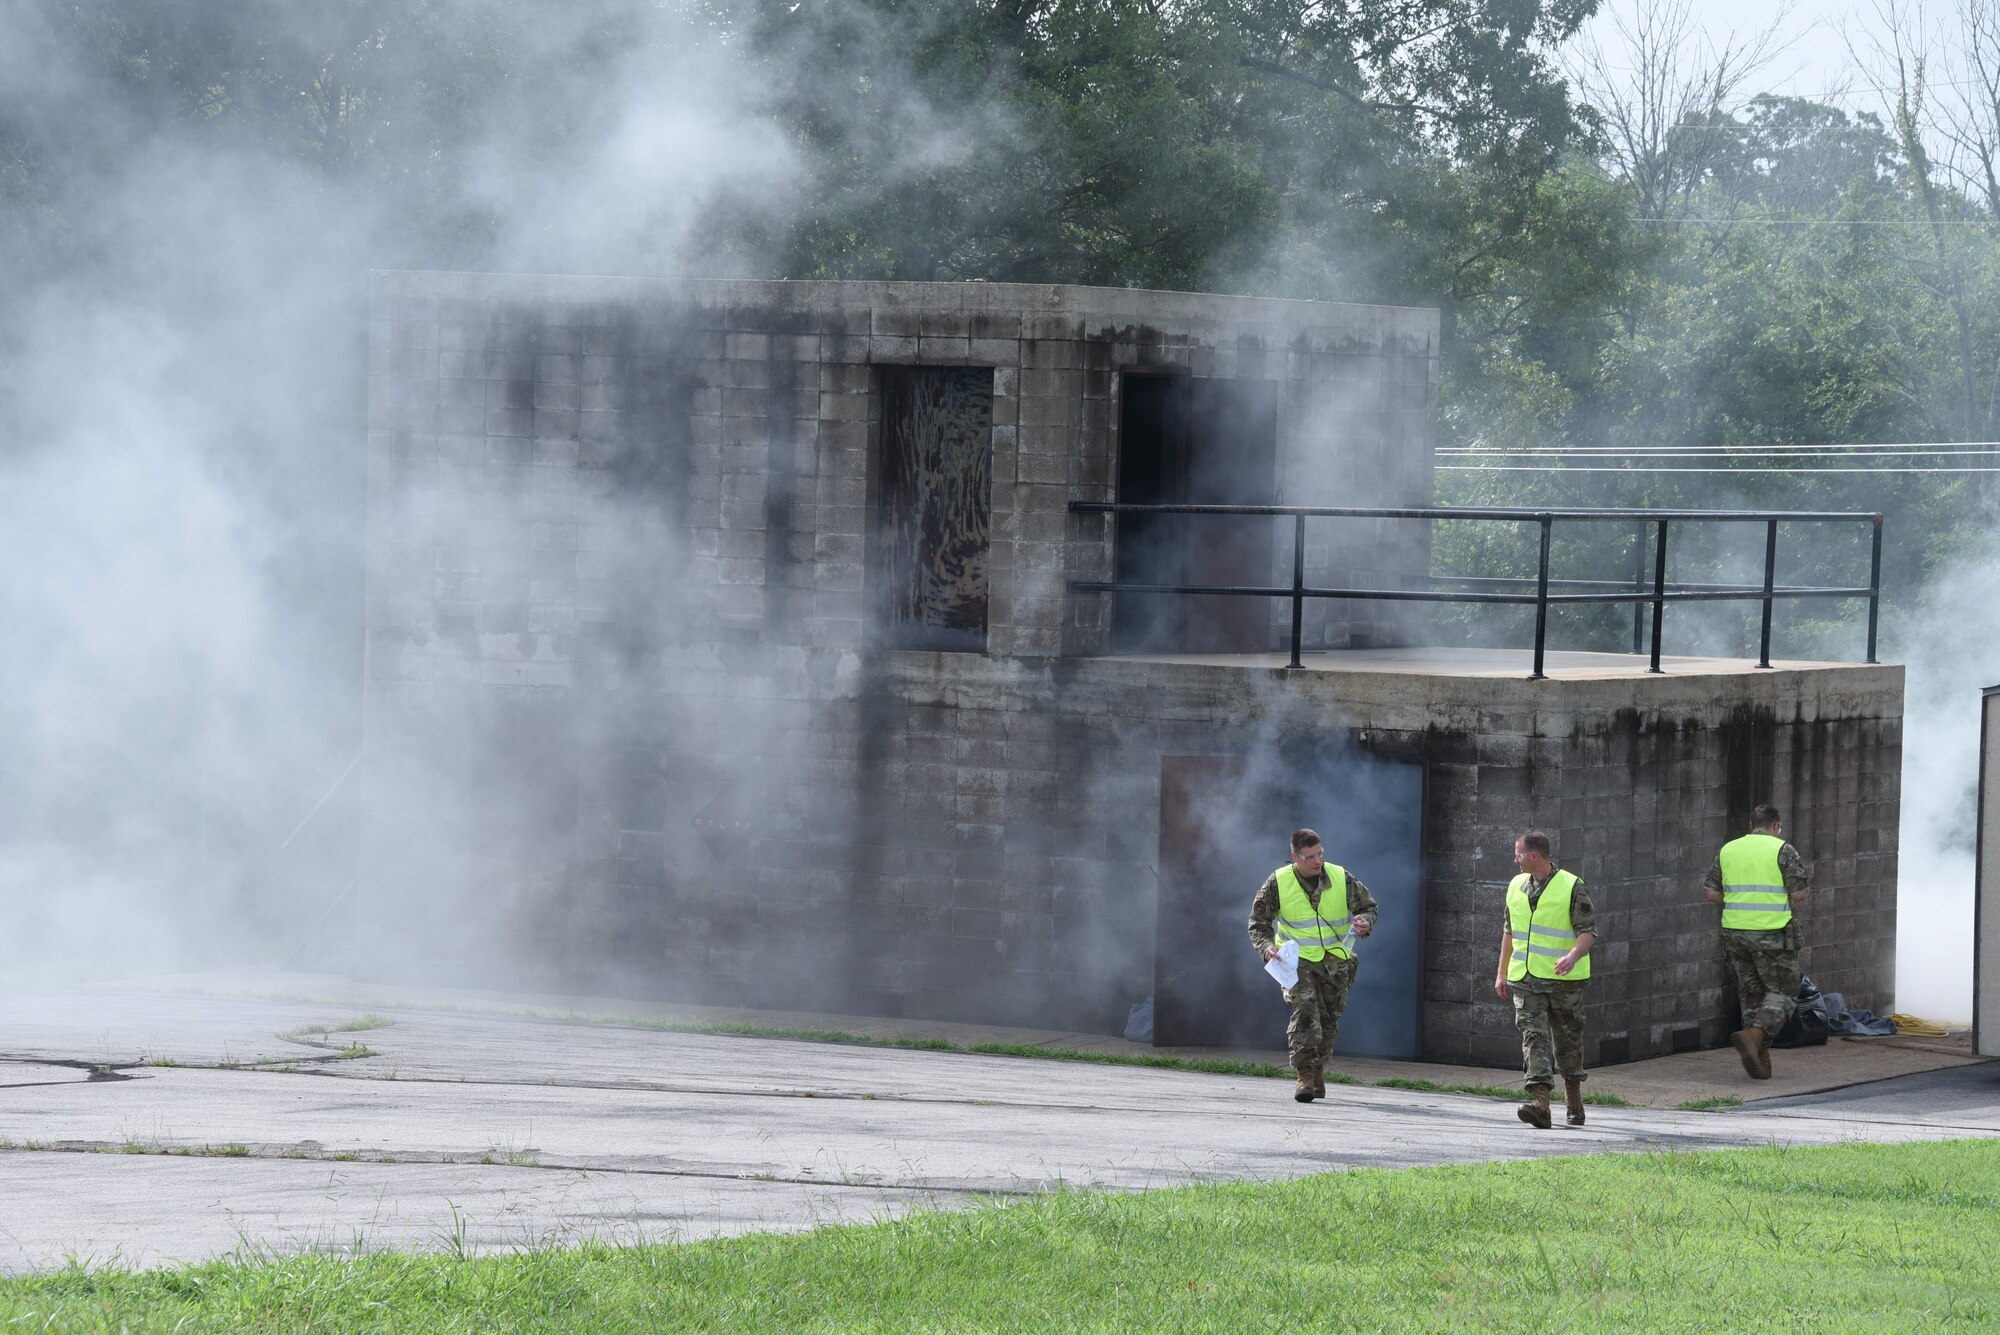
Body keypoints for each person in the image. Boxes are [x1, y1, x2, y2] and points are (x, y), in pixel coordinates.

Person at [1248, 828, 1378, 1102]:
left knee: (1329, 1020)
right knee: (1307, 1012)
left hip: (1335, 962)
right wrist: (1267, 947)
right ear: (1295, 856)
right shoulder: (1278, 882)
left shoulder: (1340, 877)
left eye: (1320, 853)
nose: (1317, 861)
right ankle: (1304, 1075)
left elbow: (1368, 907)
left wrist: (1365, 923)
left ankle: (1318, 1071)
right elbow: (1258, 924)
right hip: (1296, 963)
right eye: (1310, 857)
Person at [1493, 831, 1596, 1129]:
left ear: (1534, 856)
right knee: (1533, 1037)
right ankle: (1540, 1104)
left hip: (1564, 982)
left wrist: (1573, 956)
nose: (1515, 859)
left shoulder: (1572, 886)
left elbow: (1589, 931)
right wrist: (1501, 973)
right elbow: (1508, 933)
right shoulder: (1515, 886)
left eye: (1519, 854)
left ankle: (1574, 1101)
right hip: (1525, 980)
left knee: (1568, 1044)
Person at [1704, 803, 1810, 1080]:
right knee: (1784, 991)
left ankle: (1760, 1059)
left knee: (1751, 995)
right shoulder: (1782, 849)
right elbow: (1799, 894)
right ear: (1775, 826)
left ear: (1752, 825)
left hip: (1734, 933)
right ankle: (1755, 1035)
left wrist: (1740, 904)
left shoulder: (1728, 849)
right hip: (1772, 932)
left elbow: (1710, 893)